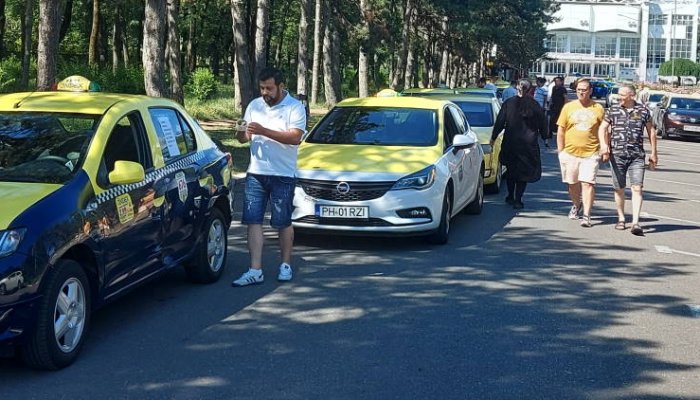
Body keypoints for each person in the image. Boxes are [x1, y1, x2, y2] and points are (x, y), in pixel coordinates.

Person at [232, 66, 307, 286]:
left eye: (269, 88)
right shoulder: (255, 105)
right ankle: (255, 269)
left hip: (283, 173)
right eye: (262, 88)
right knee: (252, 220)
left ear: (281, 86)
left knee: (282, 221)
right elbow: (243, 138)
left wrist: (264, 130)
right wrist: (240, 131)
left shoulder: (295, 107)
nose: (265, 92)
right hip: (256, 172)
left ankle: (285, 264)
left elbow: (295, 138)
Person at [598, 84, 658, 236]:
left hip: (637, 156)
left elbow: (651, 131)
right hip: (617, 155)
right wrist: (604, 145)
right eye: (619, 95)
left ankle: (636, 222)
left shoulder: (643, 111)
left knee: (637, 188)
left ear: (631, 95)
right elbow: (602, 128)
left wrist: (654, 153)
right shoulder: (613, 110)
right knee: (619, 188)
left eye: (622, 95)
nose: (619, 97)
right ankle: (621, 217)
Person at [490, 79, 547, 210]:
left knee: (511, 170)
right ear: (530, 89)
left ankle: (510, 195)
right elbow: (543, 123)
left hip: (511, 142)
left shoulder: (508, 103)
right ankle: (518, 199)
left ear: (517, 88)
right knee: (523, 173)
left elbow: (500, 121)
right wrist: (545, 137)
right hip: (528, 144)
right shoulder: (534, 105)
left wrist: (493, 137)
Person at [556, 78, 605, 228]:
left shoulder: (598, 108)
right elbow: (561, 130)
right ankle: (577, 205)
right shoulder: (568, 107)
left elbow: (604, 130)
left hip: (590, 153)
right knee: (572, 184)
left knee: (588, 183)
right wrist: (560, 151)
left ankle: (587, 216)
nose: (581, 92)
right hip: (570, 153)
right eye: (578, 90)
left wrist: (604, 148)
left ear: (590, 91)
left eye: (584, 90)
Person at [534, 77, 550, 147]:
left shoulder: (544, 89)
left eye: (537, 81)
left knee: (543, 123)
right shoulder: (537, 88)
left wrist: (544, 107)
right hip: (535, 107)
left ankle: (545, 139)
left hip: (541, 108)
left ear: (541, 82)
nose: (536, 83)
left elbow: (545, 99)